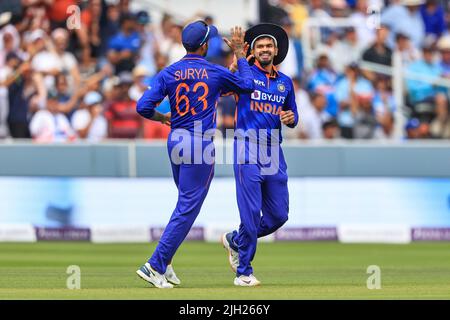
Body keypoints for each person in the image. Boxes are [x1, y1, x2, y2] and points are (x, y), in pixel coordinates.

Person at [135, 21, 255, 289]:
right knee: (188, 207)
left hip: (176, 138)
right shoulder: (212, 71)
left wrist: (162, 116)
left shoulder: (170, 72)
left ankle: (165, 262)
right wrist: (239, 53)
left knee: (183, 205)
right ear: (204, 45)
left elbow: (143, 107)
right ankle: (155, 265)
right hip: (199, 142)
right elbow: (246, 85)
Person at [223, 23, 298, 286]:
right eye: (260, 46)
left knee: (278, 215)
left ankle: (235, 240)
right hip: (247, 147)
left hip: (273, 150)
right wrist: (236, 61)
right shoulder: (244, 75)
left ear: (276, 50)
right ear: (252, 50)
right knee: (251, 213)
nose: (265, 49)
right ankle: (244, 271)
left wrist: (290, 118)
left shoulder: (285, 82)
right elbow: (221, 89)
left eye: (269, 46)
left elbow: (293, 115)